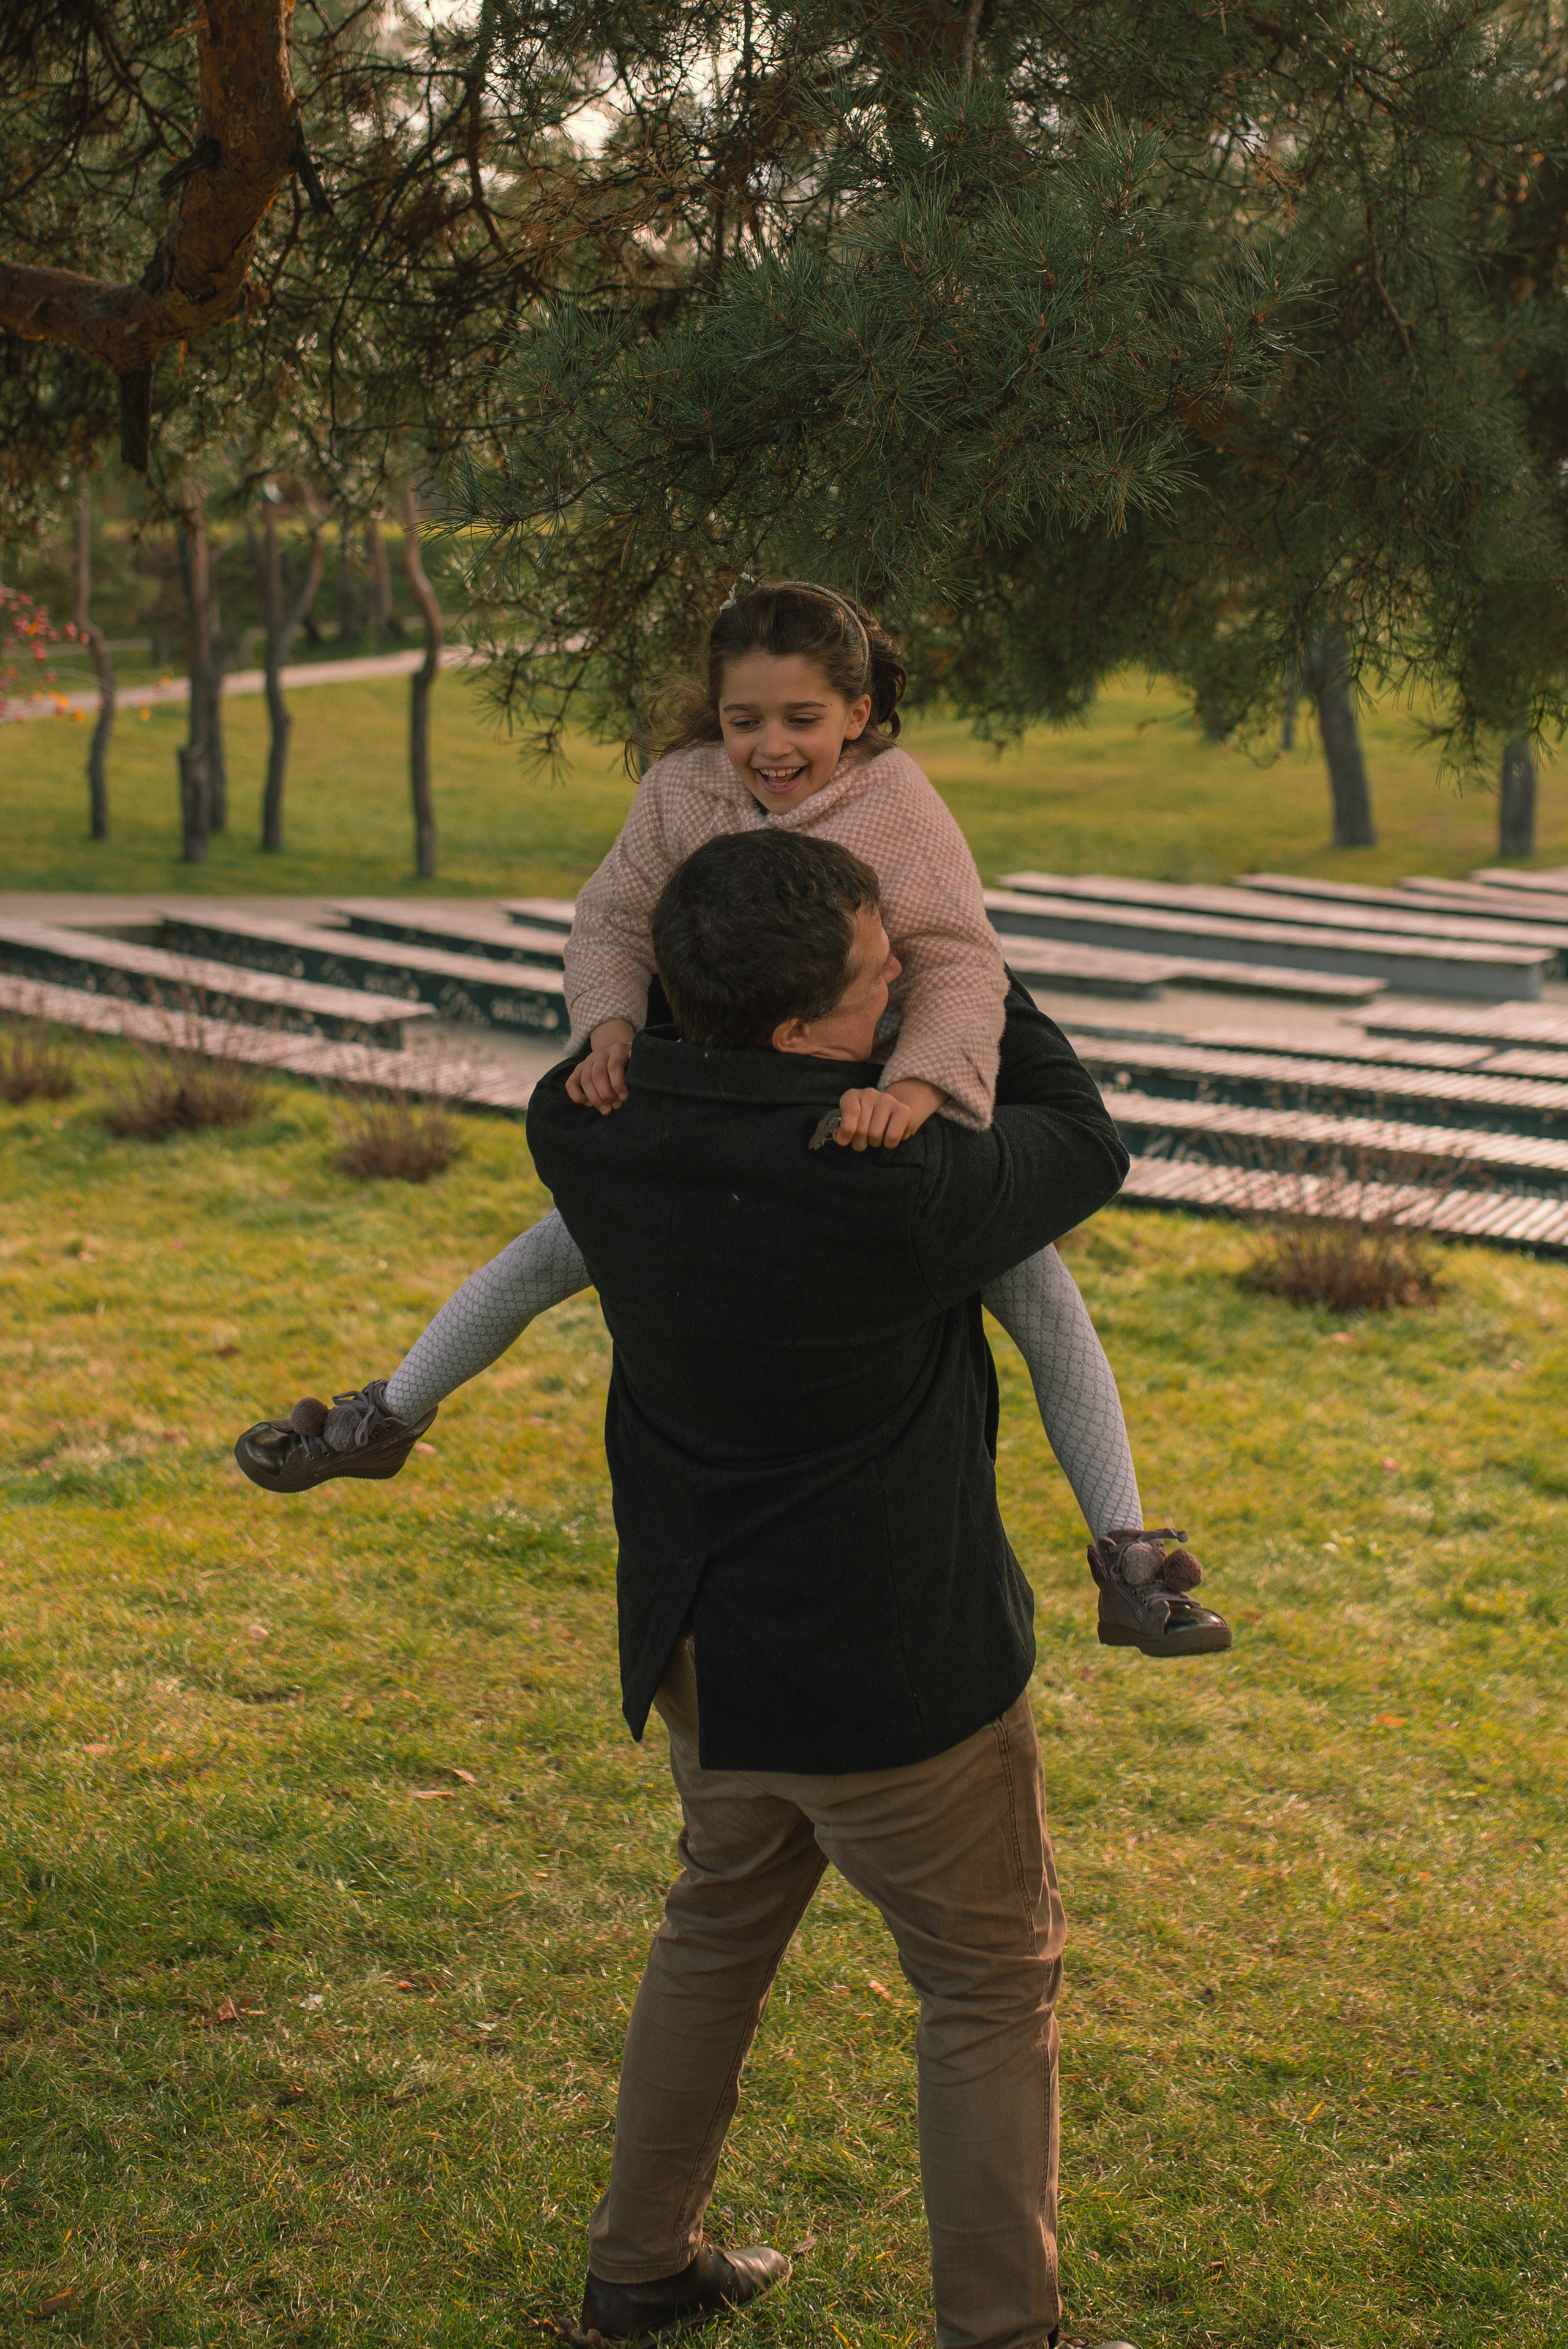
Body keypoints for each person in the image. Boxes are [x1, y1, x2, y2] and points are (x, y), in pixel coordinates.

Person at [234, 580, 1229, 1660]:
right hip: (716, 1076)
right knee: (553, 1250)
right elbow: (612, 915)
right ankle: (385, 1416)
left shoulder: (898, 803)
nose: (772, 746)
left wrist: (916, 1094)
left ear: (857, 711)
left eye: (802, 719)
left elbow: (954, 958)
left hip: (871, 1080)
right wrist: (609, 1026)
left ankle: (1125, 1552)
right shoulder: (681, 791)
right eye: (744, 718)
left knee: (1034, 1282)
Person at [527, 830, 1142, 2345]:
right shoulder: (903, 1181)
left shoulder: (584, 1124)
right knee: (990, 1988)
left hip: (708, 1654)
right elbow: (1081, 1132)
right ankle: (1003, 2334)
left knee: (715, 1932)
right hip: (897, 1683)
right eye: (885, 980)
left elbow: (687, 1032)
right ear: (811, 1028)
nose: (902, 996)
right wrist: (966, 950)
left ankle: (637, 2265)